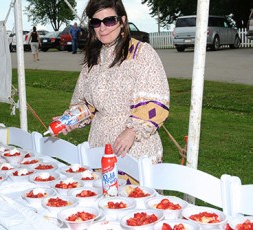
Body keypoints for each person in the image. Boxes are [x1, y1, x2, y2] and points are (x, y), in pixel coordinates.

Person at [52, 0, 170, 164]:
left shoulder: (142, 53)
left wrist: (131, 131)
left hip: (134, 147)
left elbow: (156, 102)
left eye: (109, 20)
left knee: (133, 191)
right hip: (99, 143)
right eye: (96, 22)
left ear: (122, 21)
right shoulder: (93, 59)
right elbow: (87, 105)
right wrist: (71, 119)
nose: (102, 28)